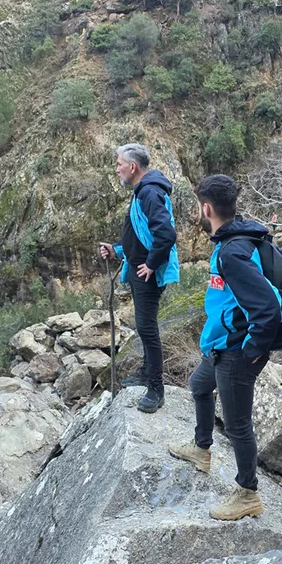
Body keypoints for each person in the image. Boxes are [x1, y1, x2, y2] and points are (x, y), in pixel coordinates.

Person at [168, 174, 281, 520]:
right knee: (199, 385)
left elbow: (269, 308)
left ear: (206, 209)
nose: (197, 214)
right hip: (220, 345)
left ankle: (248, 494)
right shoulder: (235, 238)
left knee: (237, 425)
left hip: (235, 351)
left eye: (197, 208)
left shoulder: (233, 252)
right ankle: (201, 448)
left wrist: (252, 350)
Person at [99, 143, 179, 413]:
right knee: (144, 327)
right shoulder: (141, 191)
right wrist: (116, 250)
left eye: (119, 164)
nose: (117, 169)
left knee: (147, 329)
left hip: (147, 274)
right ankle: (146, 374)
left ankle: (156, 390)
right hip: (138, 269)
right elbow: (138, 234)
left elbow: (166, 235)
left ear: (132, 167)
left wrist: (151, 264)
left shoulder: (149, 193)